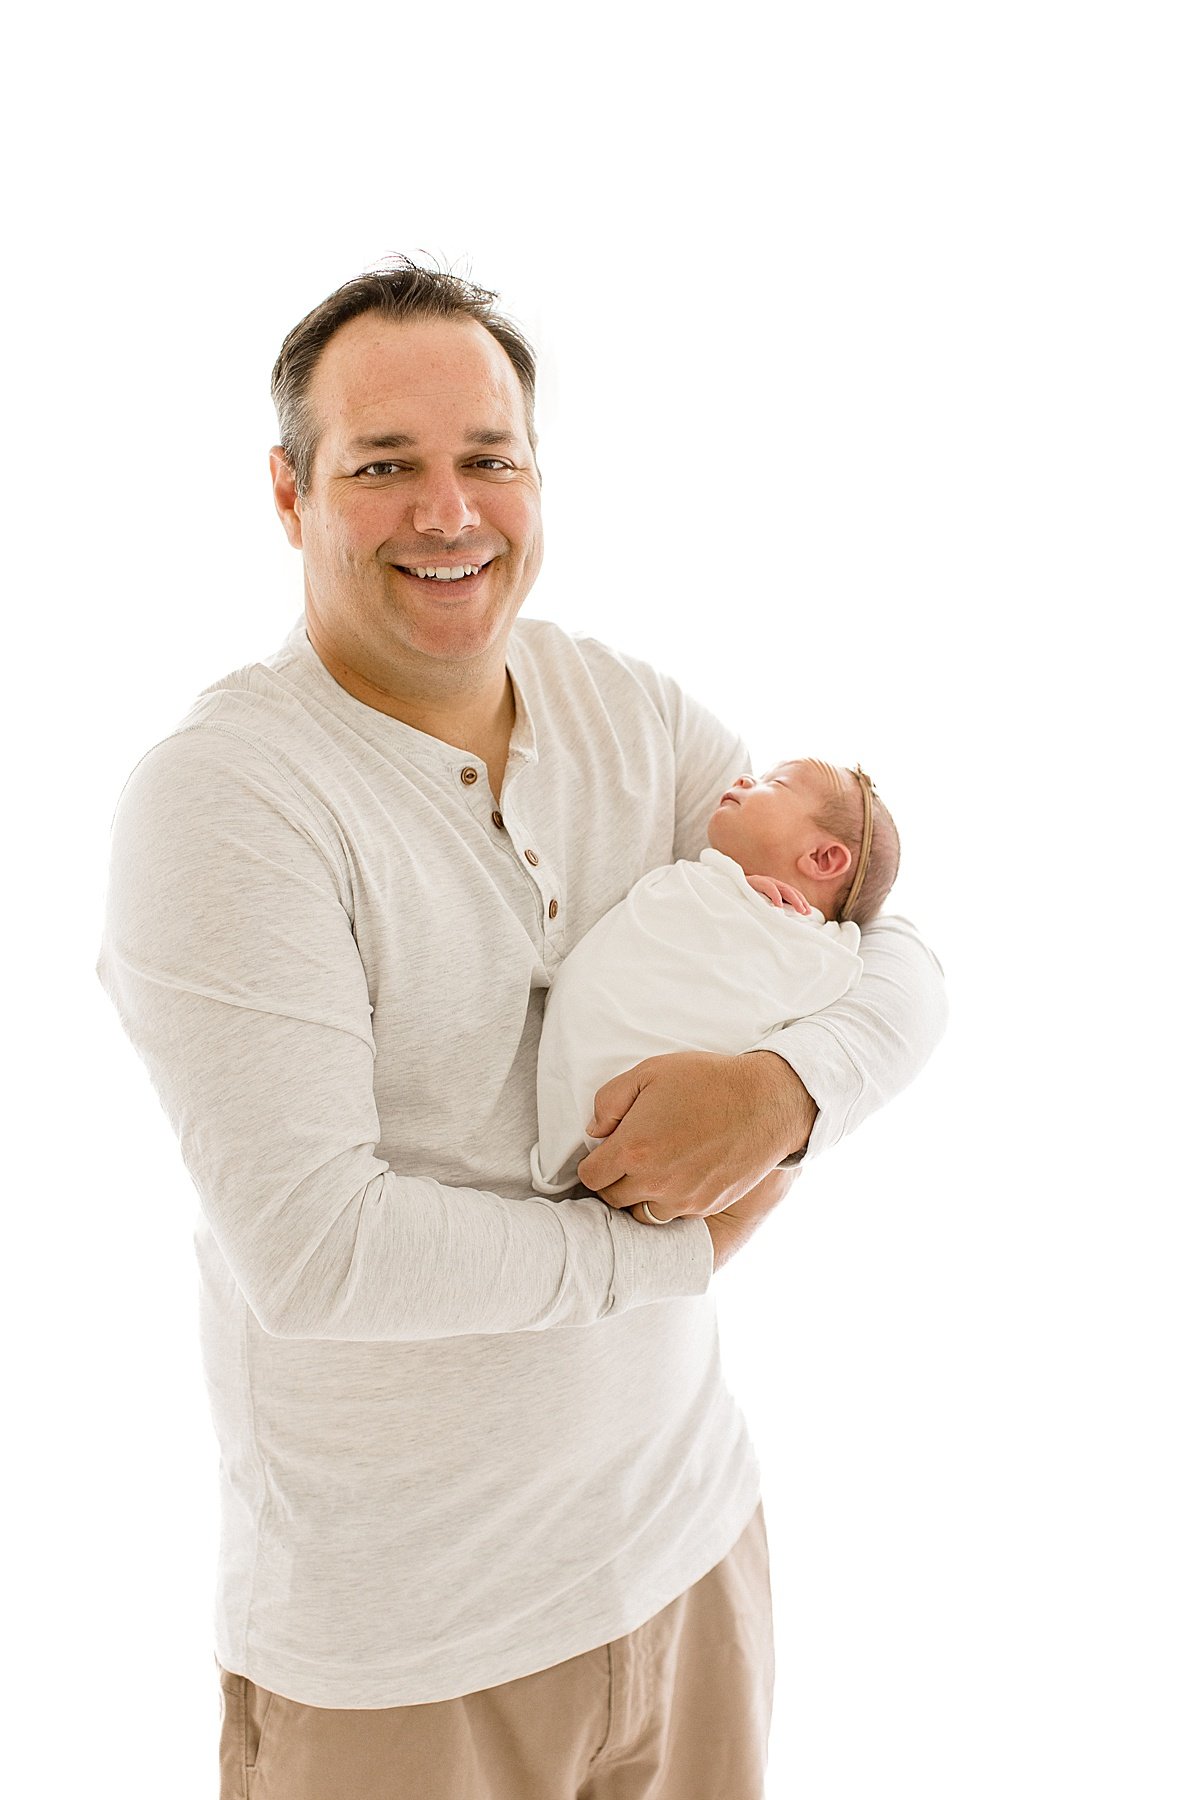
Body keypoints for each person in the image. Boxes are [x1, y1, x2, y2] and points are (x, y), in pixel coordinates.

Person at [98, 261, 948, 1800]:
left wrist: (786, 1095)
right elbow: (320, 1257)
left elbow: (888, 954)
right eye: (384, 466)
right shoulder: (227, 805)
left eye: (488, 457)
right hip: (408, 1661)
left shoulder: (635, 715)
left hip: (688, 1556)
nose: (449, 511)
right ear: (290, 497)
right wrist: (675, 1256)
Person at [532, 759, 900, 1197]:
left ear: (822, 858)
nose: (745, 779)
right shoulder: (719, 890)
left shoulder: (811, 949)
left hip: (655, 1118)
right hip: (594, 1090)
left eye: (774, 783)